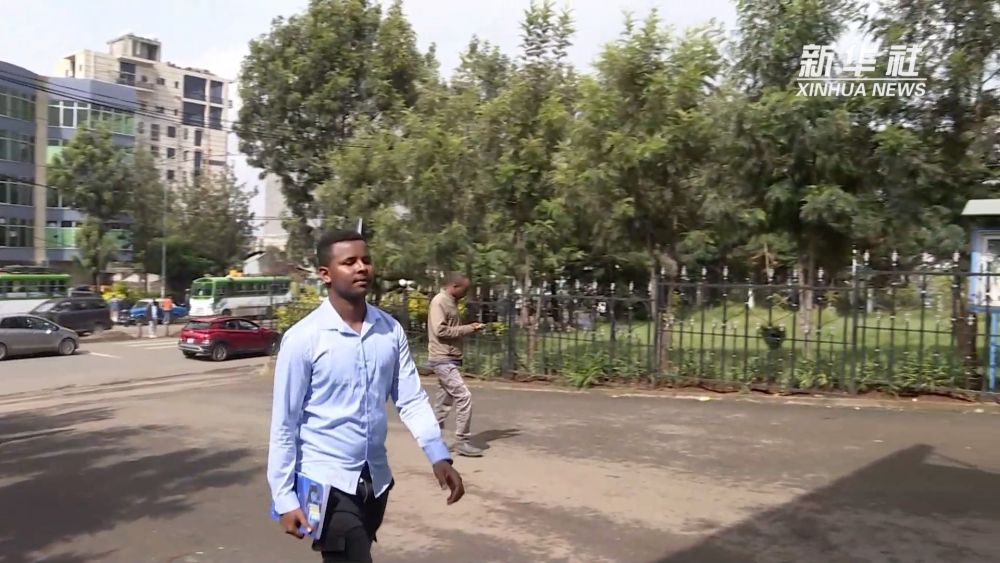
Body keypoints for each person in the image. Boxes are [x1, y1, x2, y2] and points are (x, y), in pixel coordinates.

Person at [268, 229, 465, 563]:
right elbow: (285, 423)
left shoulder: (389, 330)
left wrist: (438, 456)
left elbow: (411, 398)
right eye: (349, 262)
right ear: (326, 274)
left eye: (366, 260)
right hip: (326, 484)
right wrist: (284, 497)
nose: (361, 267)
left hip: (376, 481)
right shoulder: (304, 338)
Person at [427, 273, 485, 457]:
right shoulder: (439, 301)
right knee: (464, 396)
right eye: (464, 290)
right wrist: (468, 328)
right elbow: (440, 330)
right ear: (454, 286)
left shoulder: (451, 302)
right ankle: (462, 441)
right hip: (442, 358)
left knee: (443, 402)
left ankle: (433, 440)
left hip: (449, 357)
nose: (466, 293)